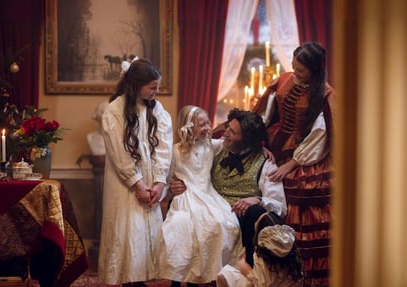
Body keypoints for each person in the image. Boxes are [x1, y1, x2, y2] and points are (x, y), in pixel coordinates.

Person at [252, 41, 335, 287]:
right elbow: (265, 114)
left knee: (299, 190)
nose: (295, 73)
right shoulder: (284, 80)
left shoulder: (325, 94)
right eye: (294, 67)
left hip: (307, 152)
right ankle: (269, 269)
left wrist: (292, 164)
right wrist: (260, 141)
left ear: (316, 70)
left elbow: (321, 135)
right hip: (275, 146)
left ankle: (301, 273)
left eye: (301, 71)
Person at [170, 108, 287, 268]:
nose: (225, 133)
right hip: (209, 209)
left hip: (241, 217)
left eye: (232, 132)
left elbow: (280, 206)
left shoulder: (266, 165)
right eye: (227, 128)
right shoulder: (216, 149)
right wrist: (180, 184)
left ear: (246, 139)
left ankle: (247, 273)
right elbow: (190, 156)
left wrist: (257, 199)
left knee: (256, 212)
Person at [98, 56, 173, 287]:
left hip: (151, 184)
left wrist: (159, 183)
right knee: (127, 231)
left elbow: (164, 146)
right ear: (137, 85)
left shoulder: (157, 109)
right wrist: (137, 183)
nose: (156, 92)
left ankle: (140, 282)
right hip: (125, 185)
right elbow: (118, 153)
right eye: (152, 87)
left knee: (145, 237)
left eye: (157, 87)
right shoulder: (114, 110)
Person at [158, 105, 244, 287]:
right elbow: (165, 179)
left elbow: (235, 143)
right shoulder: (175, 151)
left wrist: (263, 150)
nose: (207, 128)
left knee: (223, 223)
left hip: (208, 195)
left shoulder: (211, 146)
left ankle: (207, 277)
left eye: (208, 123)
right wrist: (172, 189)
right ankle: (177, 278)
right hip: (186, 198)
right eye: (202, 124)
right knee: (181, 226)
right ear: (189, 127)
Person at [217, 211, 304, 287]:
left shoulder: (262, 257)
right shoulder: (292, 253)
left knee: (225, 273)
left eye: (258, 221)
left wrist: (246, 269)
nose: (255, 222)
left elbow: (261, 284)